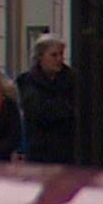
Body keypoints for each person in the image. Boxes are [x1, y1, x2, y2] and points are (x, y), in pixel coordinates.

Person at [17, 35, 76, 164]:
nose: (59, 59)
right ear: (40, 57)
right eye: (53, 55)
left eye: (61, 55)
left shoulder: (72, 80)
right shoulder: (27, 81)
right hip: (39, 153)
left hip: (68, 153)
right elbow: (36, 111)